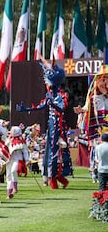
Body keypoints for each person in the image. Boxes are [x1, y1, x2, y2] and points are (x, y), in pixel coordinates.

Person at [17, 56, 73, 189]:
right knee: (49, 150)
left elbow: (62, 108)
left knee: (55, 150)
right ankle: (53, 177)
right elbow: (41, 106)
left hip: (58, 125)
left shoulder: (62, 95)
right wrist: (26, 109)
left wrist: (52, 105)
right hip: (51, 125)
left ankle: (55, 177)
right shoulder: (49, 95)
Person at [5, 126, 29, 199]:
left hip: (17, 159)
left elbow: (25, 151)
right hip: (9, 159)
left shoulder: (22, 141)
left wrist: (27, 160)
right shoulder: (8, 139)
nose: (11, 132)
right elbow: (5, 147)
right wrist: (9, 140)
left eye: (13, 131)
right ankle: (9, 192)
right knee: (8, 175)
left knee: (13, 171)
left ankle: (15, 187)